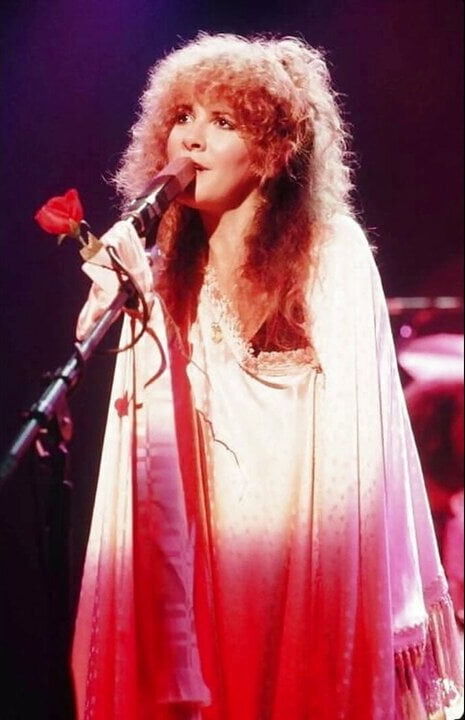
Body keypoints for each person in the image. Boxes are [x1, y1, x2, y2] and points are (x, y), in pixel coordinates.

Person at [72, 33, 464, 720]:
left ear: (275, 150)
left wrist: (332, 593)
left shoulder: (330, 253)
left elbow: (353, 444)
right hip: (207, 560)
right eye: (183, 116)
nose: (191, 138)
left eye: (222, 121)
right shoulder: (163, 272)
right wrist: (124, 300)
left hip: (309, 562)